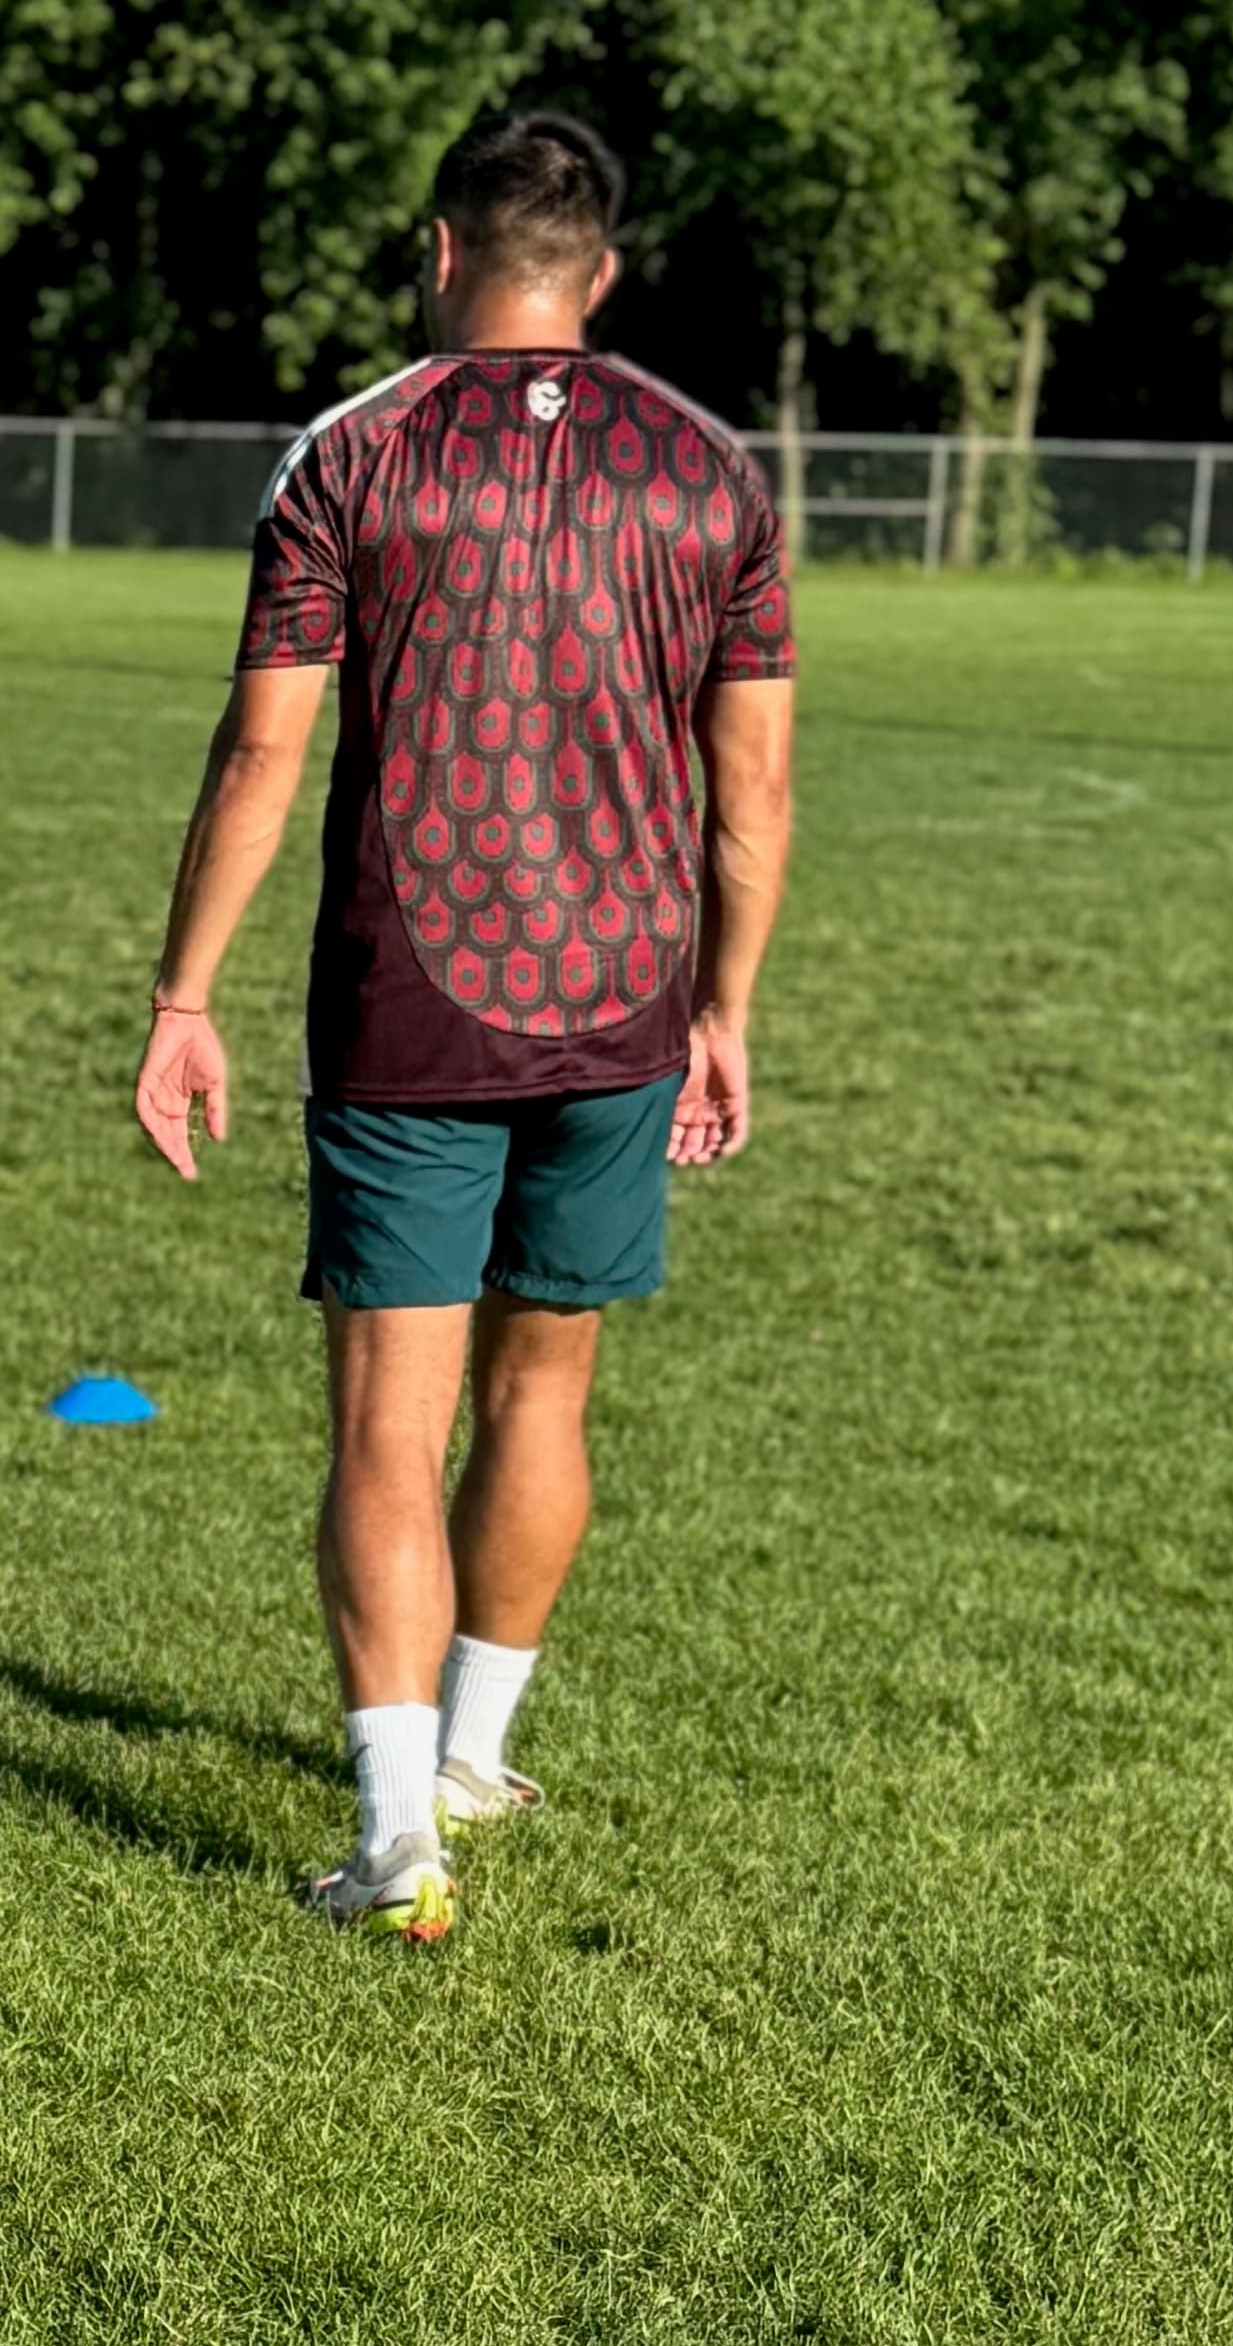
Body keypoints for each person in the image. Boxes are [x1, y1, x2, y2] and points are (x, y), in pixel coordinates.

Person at [133, 111, 796, 1941]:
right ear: (604, 271)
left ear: (439, 252)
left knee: (387, 1420)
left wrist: (184, 994)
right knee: (544, 1388)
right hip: (623, 999)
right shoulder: (715, 471)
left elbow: (263, 749)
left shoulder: (354, 452)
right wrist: (726, 1007)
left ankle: (397, 1835)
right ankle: (478, 1754)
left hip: (410, 1003)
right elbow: (752, 794)